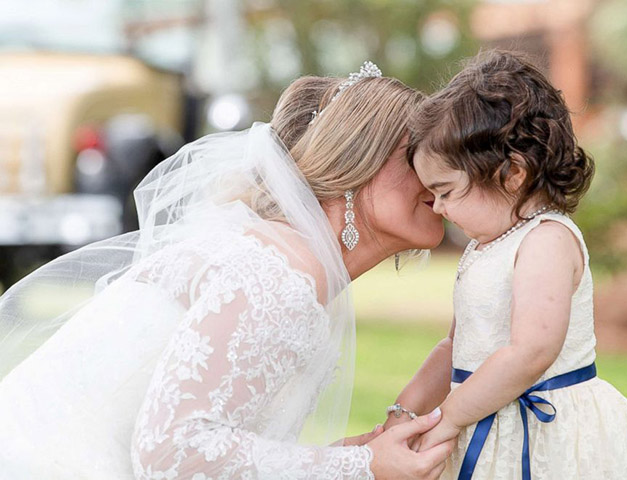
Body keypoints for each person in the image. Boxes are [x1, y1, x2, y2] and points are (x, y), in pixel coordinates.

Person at [0, 62, 454, 479]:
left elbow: (208, 440)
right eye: (417, 154)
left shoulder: (281, 256)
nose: (440, 172)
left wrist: (345, 457)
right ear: (357, 162)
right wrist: (361, 466)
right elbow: (170, 452)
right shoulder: (281, 272)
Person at [384, 51, 627, 479]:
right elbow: (452, 347)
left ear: (512, 173)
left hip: (543, 433)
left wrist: (452, 418)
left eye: (446, 191)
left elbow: (531, 352)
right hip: (486, 418)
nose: (436, 206)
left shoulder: (545, 239)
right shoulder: (486, 246)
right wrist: (407, 411)